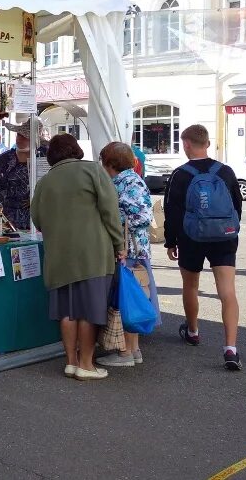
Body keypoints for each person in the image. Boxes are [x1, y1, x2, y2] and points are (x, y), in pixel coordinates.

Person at [31, 134, 124, 381]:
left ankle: (71, 362)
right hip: (92, 253)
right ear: (76, 150)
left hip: (58, 255)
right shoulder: (93, 170)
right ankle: (86, 364)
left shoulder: (45, 180)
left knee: (67, 312)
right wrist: (119, 243)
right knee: (89, 311)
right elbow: (110, 211)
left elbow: (37, 219)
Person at [164, 124, 243, 370]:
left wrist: (170, 241)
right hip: (224, 236)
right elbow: (236, 207)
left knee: (191, 285)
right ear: (207, 144)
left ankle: (193, 330)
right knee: (227, 291)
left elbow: (171, 211)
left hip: (191, 236)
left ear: (186, 144)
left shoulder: (180, 174)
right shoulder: (226, 172)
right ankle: (230, 348)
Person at [96, 142, 161, 368]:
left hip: (129, 251)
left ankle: (126, 352)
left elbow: (142, 217)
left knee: (127, 299)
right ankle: (133, 350)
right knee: (132, 297)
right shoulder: (131, 180)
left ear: (110, 163)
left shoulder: (126, 183)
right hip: (135, 250)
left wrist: (116, 222)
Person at [0, 118, 45, 231]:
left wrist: (38, 197)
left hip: (38, 214)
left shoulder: (44, 155)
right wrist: (4, 191)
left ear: (33, 139)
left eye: (24, 136)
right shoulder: (7, 157)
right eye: (18, 135)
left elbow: (55, 179)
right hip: (11, 214)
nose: (19, 139)